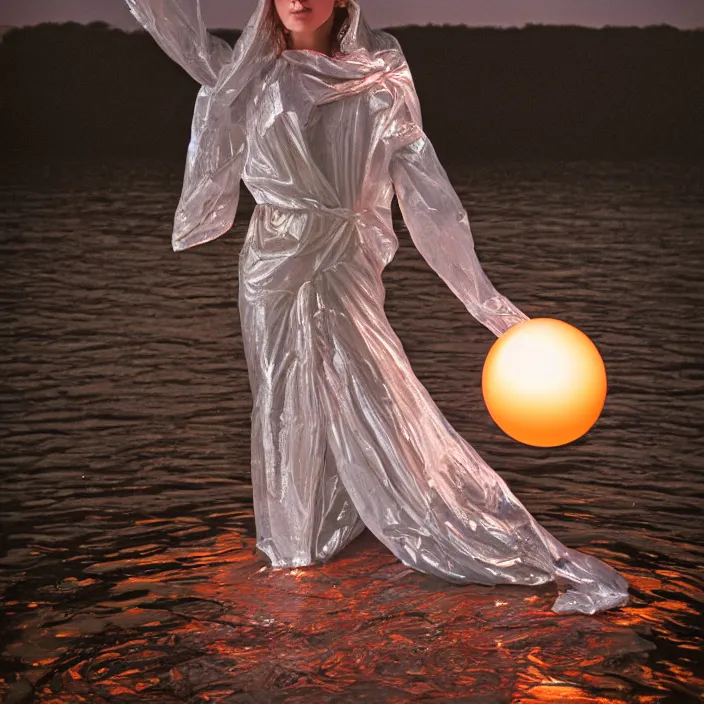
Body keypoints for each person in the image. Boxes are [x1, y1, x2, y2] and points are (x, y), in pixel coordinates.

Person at [125, 0, 630, 615]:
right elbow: (177, 30)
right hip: (272, 262)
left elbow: (428, 196)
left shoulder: (380, 76)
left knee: (379, 388)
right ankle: (297, 540)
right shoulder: (248, 74)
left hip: (344, 258)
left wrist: (487, 304)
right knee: (285, 396)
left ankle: (453, 523)